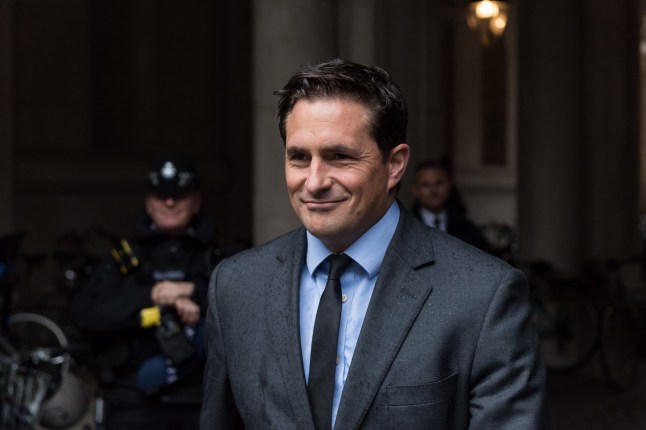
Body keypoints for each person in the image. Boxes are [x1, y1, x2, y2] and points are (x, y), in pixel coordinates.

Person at [200, 59, 552, 429]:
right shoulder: (236, 287)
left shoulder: (483, 296)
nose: (315, 181)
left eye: (340, 157)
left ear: (395, 164)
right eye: (299, 158)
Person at [71, 152, 218, 430]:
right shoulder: (120, 259)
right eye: (161, 195)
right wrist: (150, 295)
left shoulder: (220, 258)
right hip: (133, 402)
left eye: (180, 195)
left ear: (197, 201)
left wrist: (194, 292)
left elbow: (252, 310)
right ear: (148, 202)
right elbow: (84, 316)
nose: (170, 202)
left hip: (201, 403)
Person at [411, 159, 491, 252]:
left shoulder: (468, 229)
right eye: (426, 185)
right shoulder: (406, 229)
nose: (433, 190)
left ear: (449, 185)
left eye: (439, 183)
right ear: (415, 190)